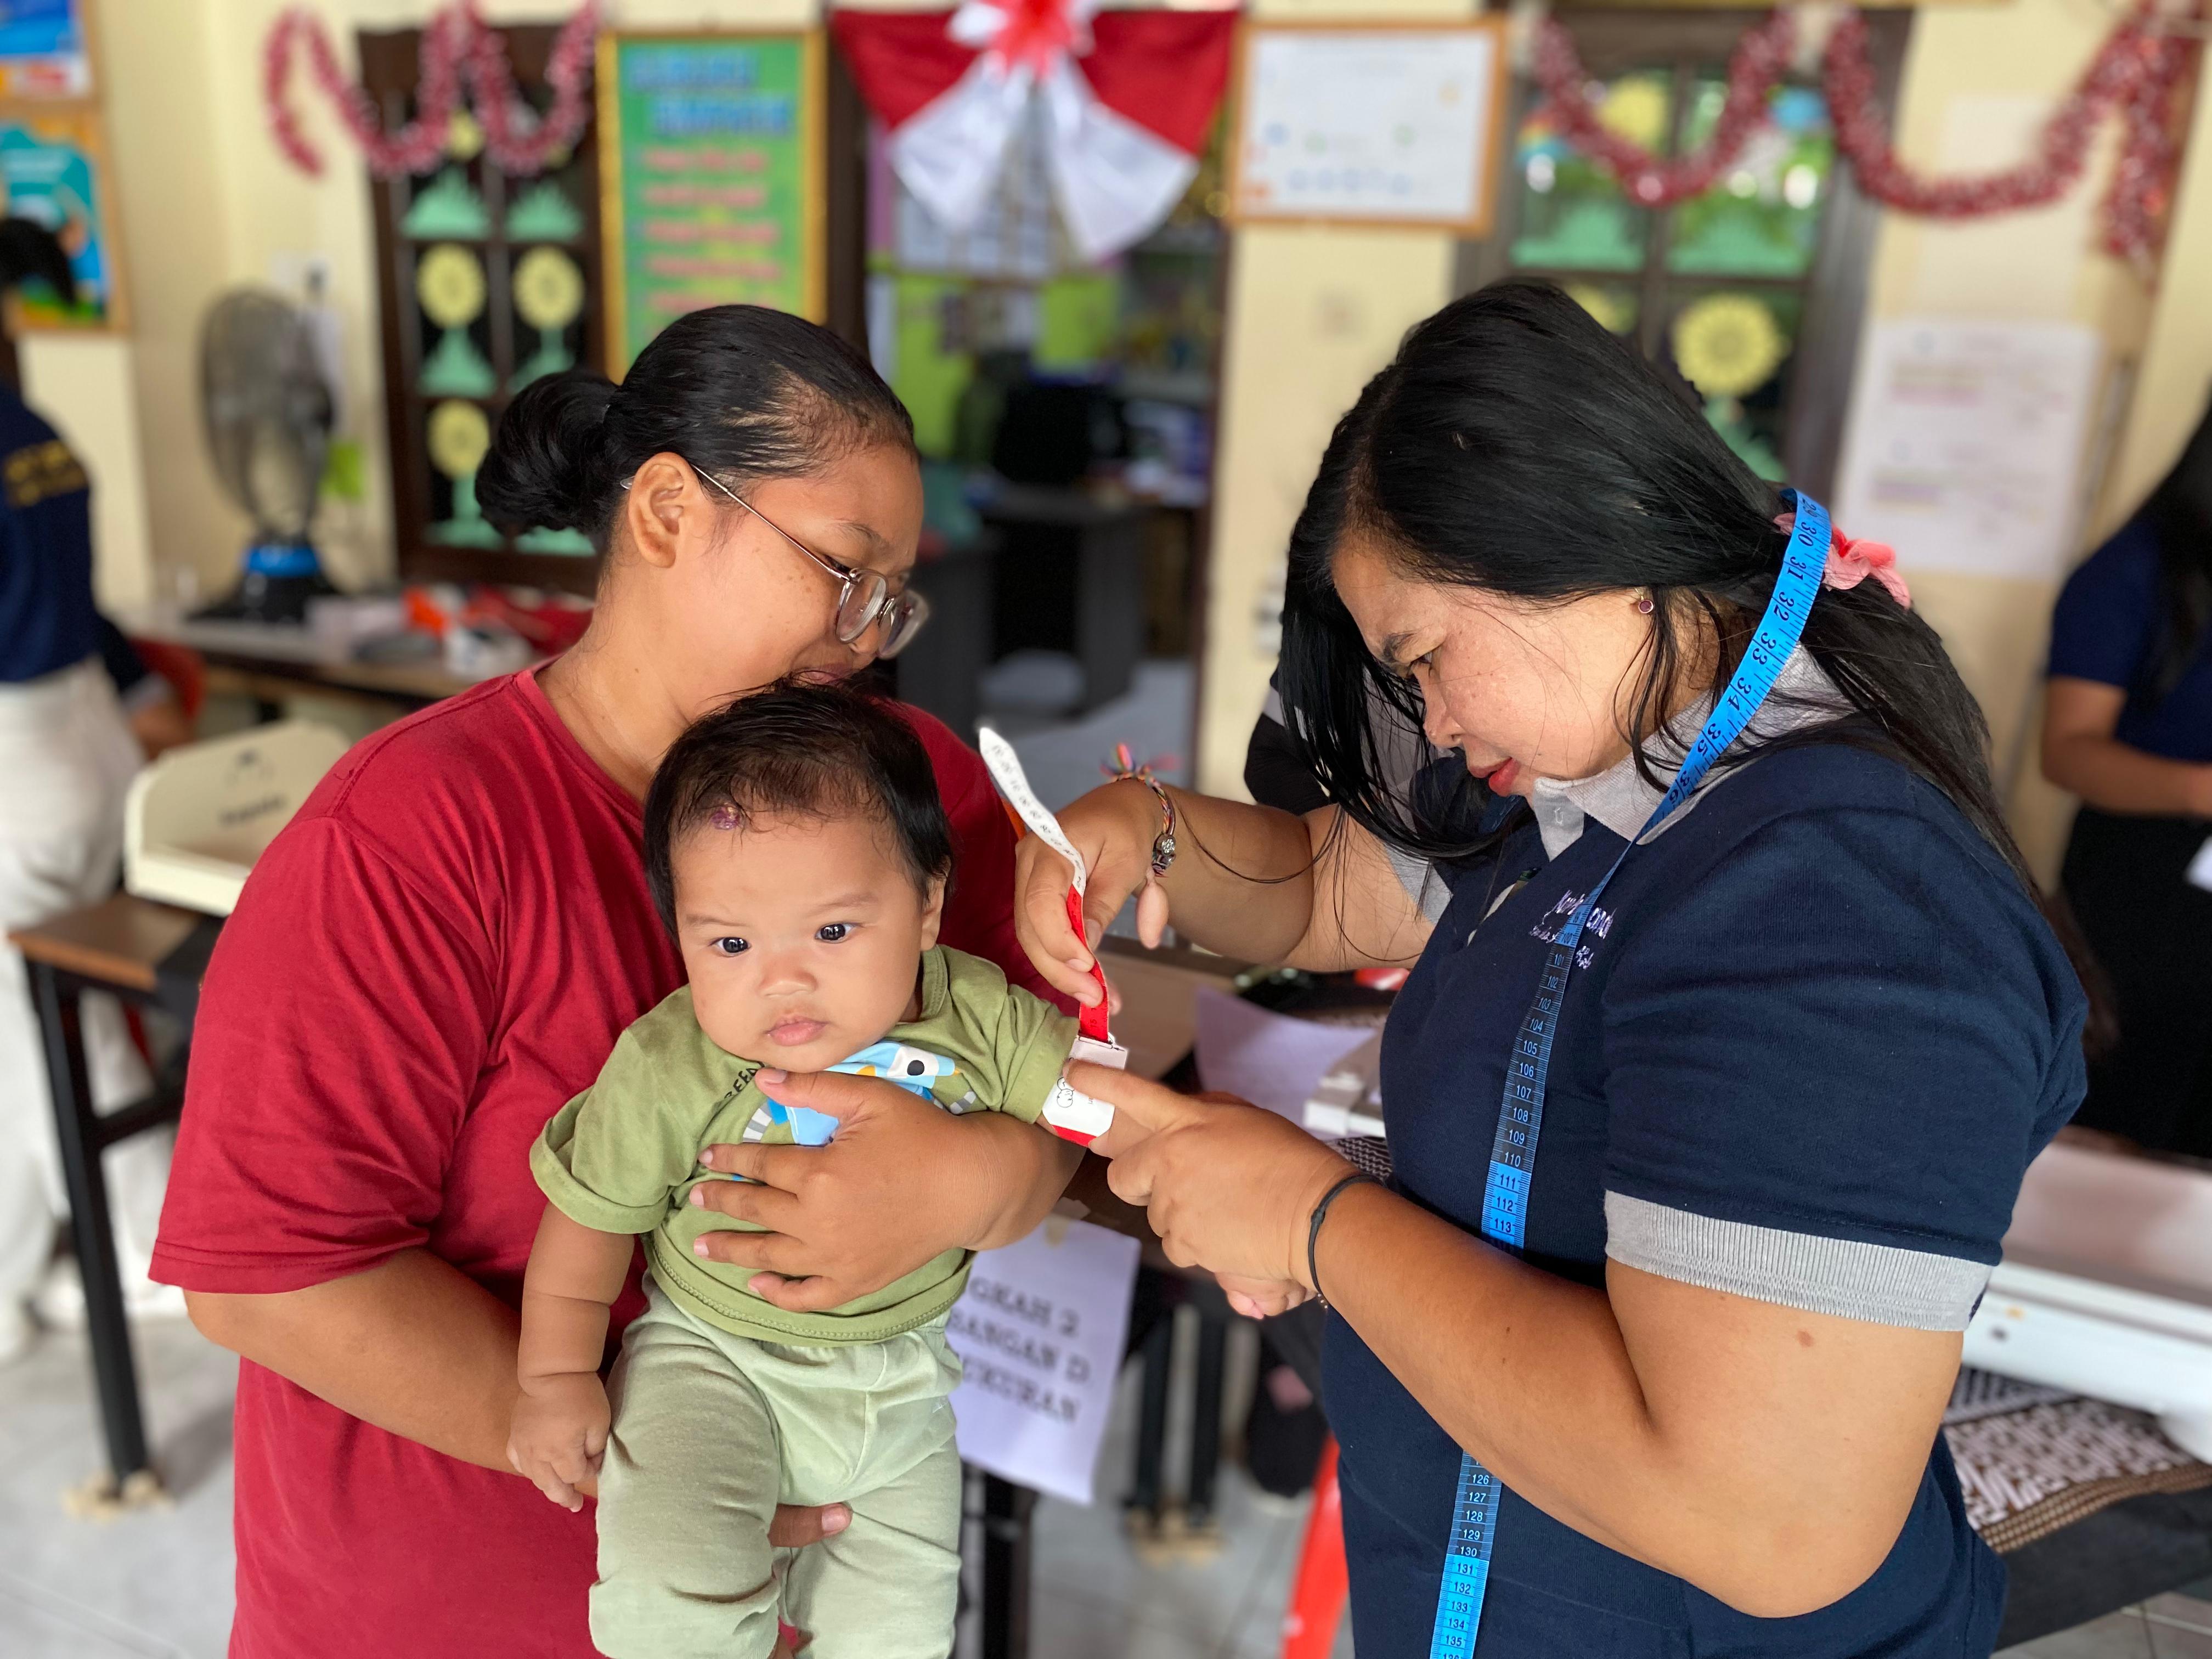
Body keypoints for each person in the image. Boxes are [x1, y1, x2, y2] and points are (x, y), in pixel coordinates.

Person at [1013, 283, 2084, 1656]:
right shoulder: (1602, 782)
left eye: (1426, 660)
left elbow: (1766, 1524)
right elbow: (1340, 888)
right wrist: (1142, 837)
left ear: (1589, 551)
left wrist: (1315, 1222)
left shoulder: (1839, 900)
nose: (1437, 724)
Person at [153, 307, 1082, 1659]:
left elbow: (1042, 1080)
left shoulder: (911, 788)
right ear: (663, 512)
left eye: (893, 597)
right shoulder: (410, 838)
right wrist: (657, 1476)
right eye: (842, 570)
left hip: (810, 1581)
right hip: (458, 1600)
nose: (866, 637)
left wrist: (991, 1181)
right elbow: (267, 1276)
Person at [511, 681, 1097, 1658]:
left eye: (832, 932)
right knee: (670, 1591)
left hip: (905, 1389)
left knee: (903, 1630)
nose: (781, 978)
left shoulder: (980, 1015)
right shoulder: (672, 1061)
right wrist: (555, 1375)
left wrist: (1171, 1144)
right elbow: (590, 1217)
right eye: (731, 943)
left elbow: (1087, 1104)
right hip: (712, 1365)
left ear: (927, 907)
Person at [0, 216, 183, 1363]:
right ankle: (102, 1250)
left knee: (38, 1038)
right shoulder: (37, 435)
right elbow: (85, 609)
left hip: (22, 760)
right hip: (85, 741)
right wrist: (136, 690)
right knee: (53, 1026)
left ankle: (124, 1256)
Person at [2042, 395, 2212, 1155]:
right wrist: (2197, 789)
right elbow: (2068, 749)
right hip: (2143, 890)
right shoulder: (2140, 567)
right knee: (2110, 1121)